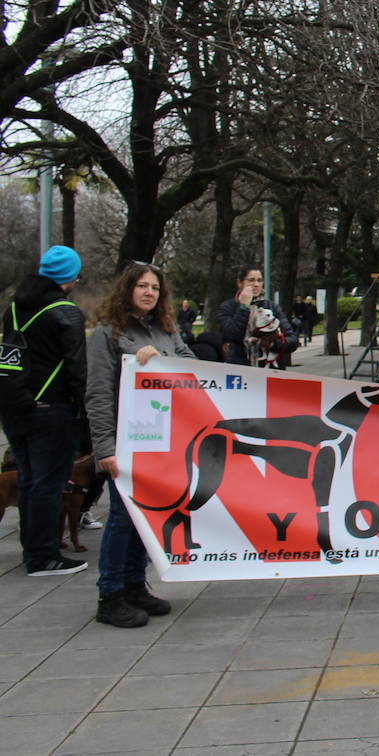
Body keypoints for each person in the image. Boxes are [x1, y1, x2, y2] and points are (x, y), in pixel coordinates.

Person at [87, 261, 192, 627]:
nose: (149, 293)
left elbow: (191, 367)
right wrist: (105, 448)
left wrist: (162, 361)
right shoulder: (107, 333)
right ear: (127, 289)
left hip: (160, 439)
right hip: (125, 439)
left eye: (155, 288)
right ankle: (110, 593)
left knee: (145, 515)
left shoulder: (166, 329)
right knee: (121, 517)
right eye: (142, 286)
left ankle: (134, 584)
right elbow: (98, 393)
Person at [0, 246, 89, 576]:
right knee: (49, 484)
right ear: (70, 278)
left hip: (14, 406)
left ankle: (31, 548)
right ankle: (43, 556)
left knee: (27, 481)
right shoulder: (66, 312)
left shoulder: (12, 308)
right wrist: (86, 413)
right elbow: (77, 370)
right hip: (51, 408)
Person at [217, 267, 296, 367]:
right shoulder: (228, 307)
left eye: (259, 280)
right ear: (239, 283)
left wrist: (271, 344)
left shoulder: (272, 307)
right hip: (240, 369)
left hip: (270, 369)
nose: (256, 284)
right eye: (251, 280)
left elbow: (292, 340)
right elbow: (233, 335)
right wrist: (243, 307)